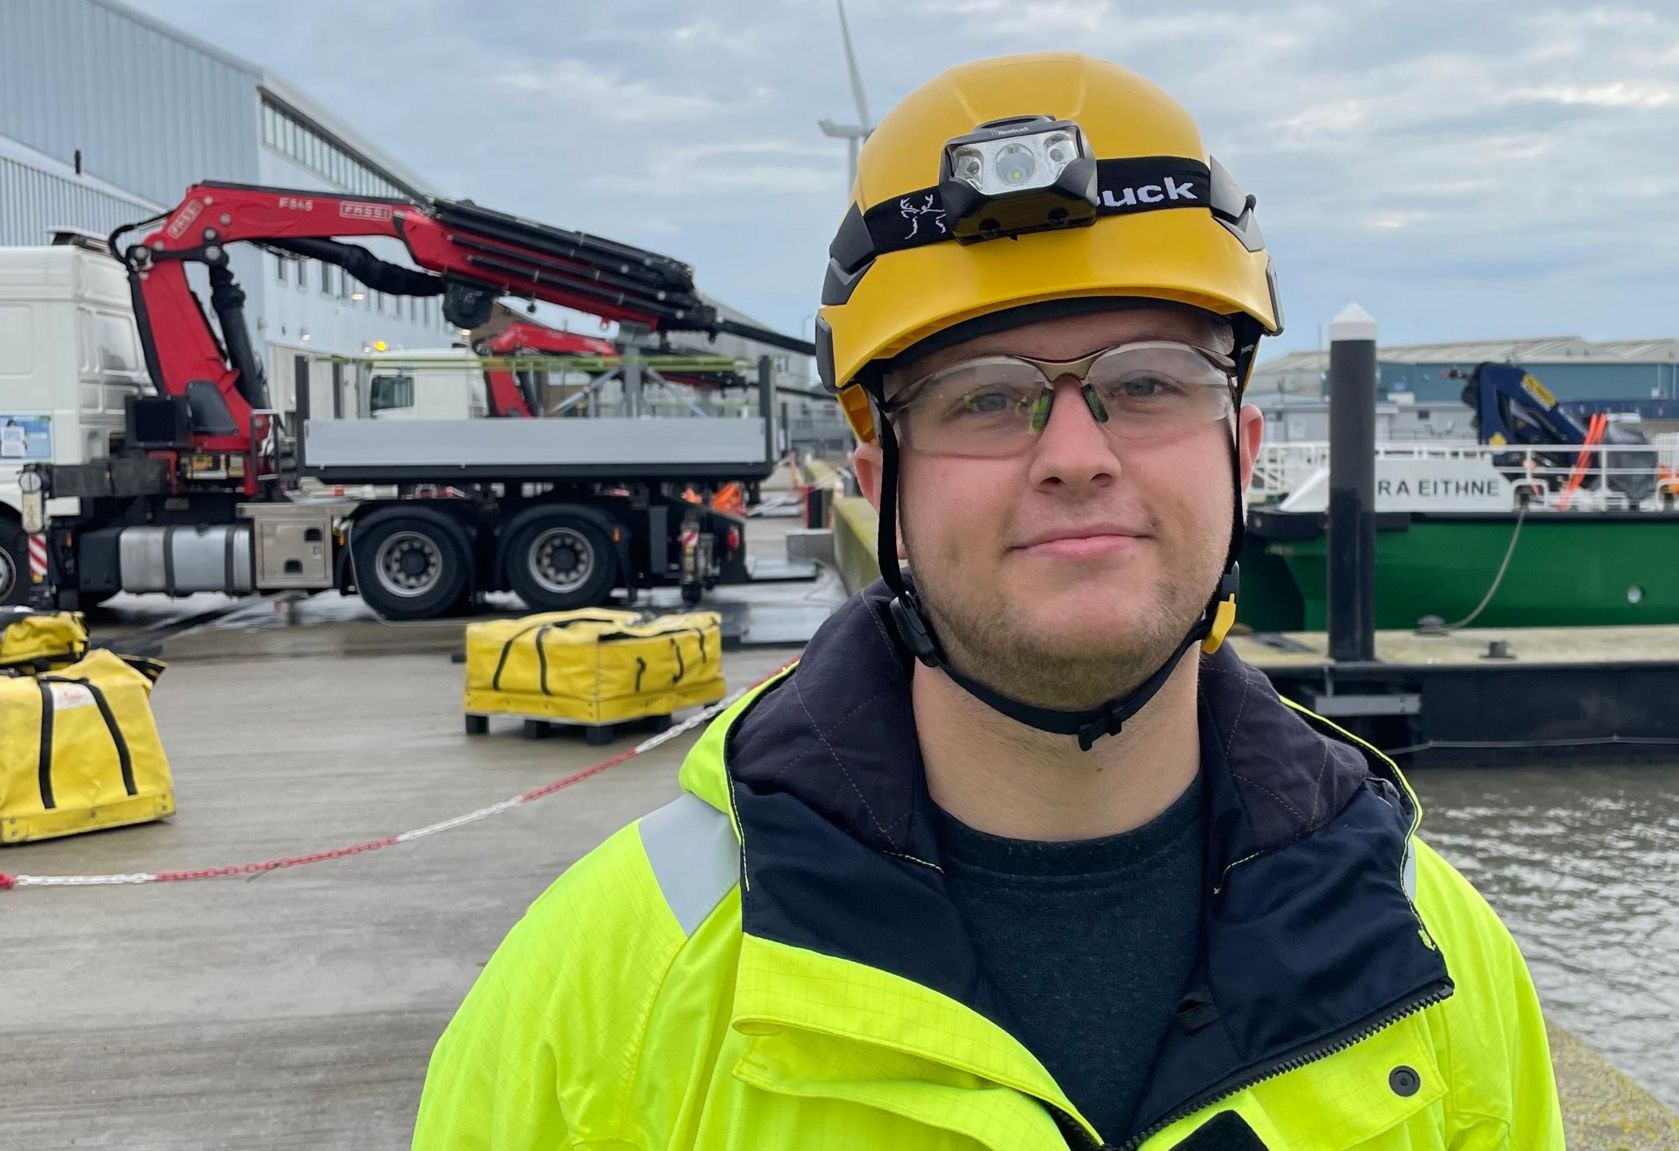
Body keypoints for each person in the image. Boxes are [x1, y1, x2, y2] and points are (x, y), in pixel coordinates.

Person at [414, 53, 1565, 1150]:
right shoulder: (607, 986)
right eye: (979, 397)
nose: (1073, 452)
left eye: (1148, 381)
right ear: (880, 483)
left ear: (1240, 448)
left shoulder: (1432, 959)